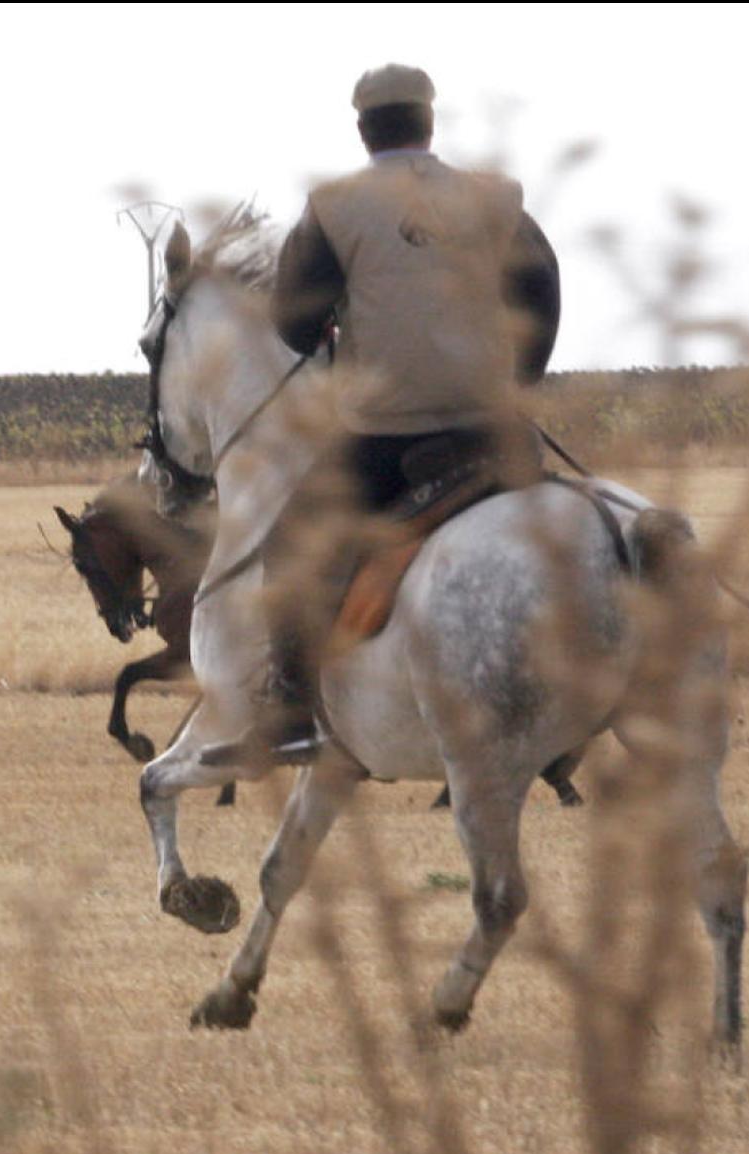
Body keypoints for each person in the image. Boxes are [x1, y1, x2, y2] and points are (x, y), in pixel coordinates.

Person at [210, 64, 562, 772]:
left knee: (287, 548)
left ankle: (289, 715)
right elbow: (542, 293)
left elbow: (293, 324)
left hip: (385, 437)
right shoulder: (496, 199)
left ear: (363, 128)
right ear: (430, 122)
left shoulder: (335, 206)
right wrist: (518, 383)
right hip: (493, 432)